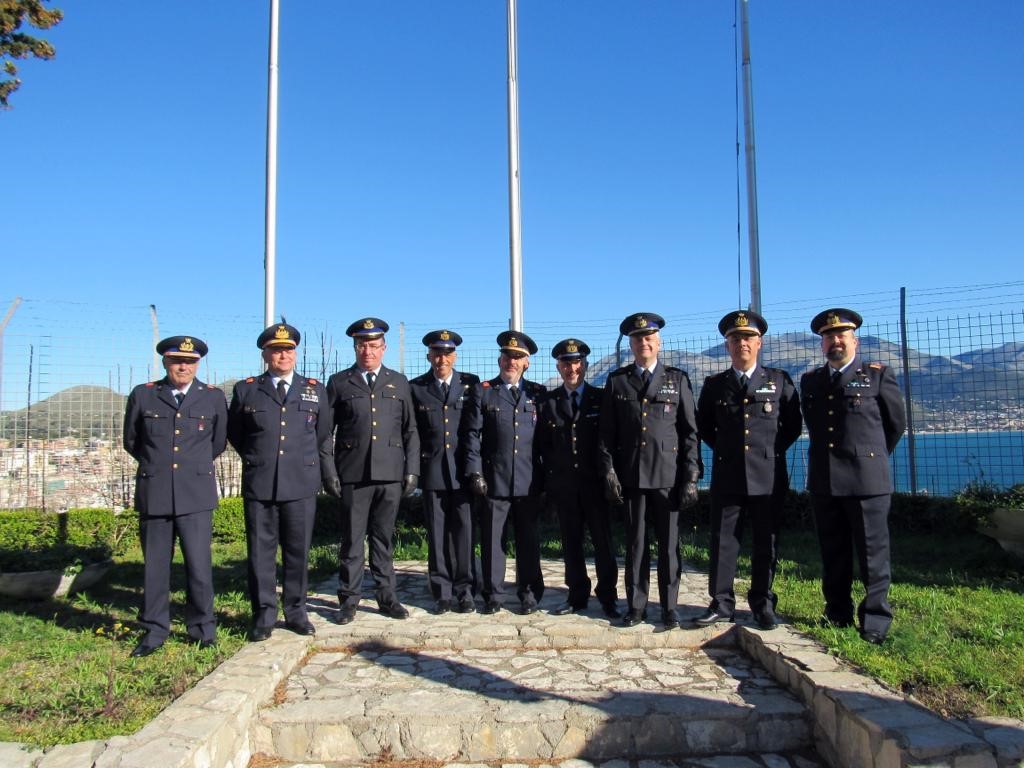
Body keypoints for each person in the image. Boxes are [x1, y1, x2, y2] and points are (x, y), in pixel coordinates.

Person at [227, 323, 339, 641]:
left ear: (295, 353)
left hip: (301, 483)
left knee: (297, 551)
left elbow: (321, 433)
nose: (283, 355)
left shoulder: (314, 389)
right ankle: (263, 615)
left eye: (288, 350)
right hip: (261, 482)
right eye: (276, 350)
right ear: (265, 354)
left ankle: (296, 611)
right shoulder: (246, 390)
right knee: (261, 552)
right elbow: (237, 433)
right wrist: (260, 457)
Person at [801, 308, 906, 644]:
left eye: (841, 335)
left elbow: (894, 425)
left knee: (873, 553)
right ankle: (837, 612)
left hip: (866, 480)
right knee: (833, 551)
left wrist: (869, 459)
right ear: (822, 345)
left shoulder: (877, 376)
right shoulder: (812, 381)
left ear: (854, 341)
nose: (835, 341)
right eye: (828, 337)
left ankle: (875, 619)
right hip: (825, 480)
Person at [694, 310, 802, 629]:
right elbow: (705, 428)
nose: (742, 343)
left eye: (748, 337)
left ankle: (762, 602)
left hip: (768, 476)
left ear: (760, 343)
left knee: (765, 542)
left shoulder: (779, 380)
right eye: (735, 338)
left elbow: (792, 426)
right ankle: (722, 602)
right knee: (723, 540)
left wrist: (768, 453)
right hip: (728, 474)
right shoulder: (715, 385)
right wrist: (729, 454)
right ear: (727, 345)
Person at [122, 335, 227, 657]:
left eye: (190, 361)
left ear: (198, 364)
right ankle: (154, 629)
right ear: (166, 362)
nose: (183, 366)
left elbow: (218, 442)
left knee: (198, 565)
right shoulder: (144, 395)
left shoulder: (212, 398)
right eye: (177, 360)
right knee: (155, 567)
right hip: (155, 492)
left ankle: (202, 628)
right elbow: (132, 441)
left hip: (195, 493)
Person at [598, 312, 700, 629]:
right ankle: (637, 606)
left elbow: (689, 434)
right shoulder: (617, 381)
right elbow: (606, 435)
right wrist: (609, 472)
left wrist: (691, 477)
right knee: (636, 546)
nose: (644, 342)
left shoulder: (677, 380)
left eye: (649, 337)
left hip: (668, 479)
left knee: (669, 547)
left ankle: (670, 608)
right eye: (638, 338)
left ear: (658, 342)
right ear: (631, 344)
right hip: (631, 478)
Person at [326, 317, 419, 625]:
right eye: (362, 345)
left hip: (390, 474)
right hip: (353, 474)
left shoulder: (398, 382)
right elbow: (325, 433)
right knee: (352, 540)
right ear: (355, 347)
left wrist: (412, 470)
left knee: (382, 539)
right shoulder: (340, 383)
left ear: (384, 348)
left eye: (374, 346)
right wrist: (329, 472)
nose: (368, 351)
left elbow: (410, 431)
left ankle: (387, 597)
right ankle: (349, 600)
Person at [462, 330, 546, 615]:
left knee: (528, 540)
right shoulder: (484, 391)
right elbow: (472, 436)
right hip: (493, 480)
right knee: (492, 540)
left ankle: (529, 592)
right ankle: (493, 594)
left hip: (528, 481)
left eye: (518, 357)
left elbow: (545, 440)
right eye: (507, 356)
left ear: (527, 363)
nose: (511, 361)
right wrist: (475, 473)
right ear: (500, 359)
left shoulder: (537, 394)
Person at [535, 338, 620, 619]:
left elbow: (610, 440)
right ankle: (577, 595)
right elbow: (542, 446)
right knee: (570, 543)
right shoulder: (548, 402)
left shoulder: (600, 398)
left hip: (595, 485)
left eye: (576, 363)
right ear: (558, 367)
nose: (572, 368)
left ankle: (608, 596)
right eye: (565, 363)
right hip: (565, 486)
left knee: (603, 543)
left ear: (584, 365)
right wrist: (549, 483)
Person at [409, 329, 479, 614]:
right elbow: (412, 433)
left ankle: (465, 589)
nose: (442, 358)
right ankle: (442, 591)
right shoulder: (416, 387)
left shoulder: (471, 384)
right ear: (429, 356)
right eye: (437, 353)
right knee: (437, 534)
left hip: (463, 470)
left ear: (455, 356)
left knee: (464, 532)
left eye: (447, 353)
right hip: (433, 469)